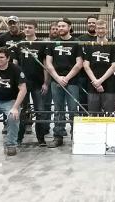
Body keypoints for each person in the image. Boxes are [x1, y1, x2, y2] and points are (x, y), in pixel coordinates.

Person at [45, 18, 83, 148]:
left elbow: (79, 64)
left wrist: (66, 78)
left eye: (63, 26)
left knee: (73, 109)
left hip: (72, 81)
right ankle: (58, 136)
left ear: (69, 27)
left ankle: (76, 136)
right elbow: (48, 64)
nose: (60, 28)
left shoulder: (76, 43)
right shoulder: (52, 43)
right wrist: (57, 78)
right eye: (59, 26)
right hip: (56, 81)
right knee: (58, 108)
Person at [16, 20, 50, 147]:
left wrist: (46, 83)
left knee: (40, 111)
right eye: (25, 27)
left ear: (35, 29)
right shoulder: (20, 44)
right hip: (22, 84)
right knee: (22, 111)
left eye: (30, 27)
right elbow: (14, 64)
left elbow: (45, 65)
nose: (27, 29)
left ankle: (41, 138)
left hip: (38, 83)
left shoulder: (41, 44)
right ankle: (19, 137)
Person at [83, 19, 115, 113]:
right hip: (93, 84)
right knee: (93, 114)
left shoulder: (113, 45)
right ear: (95, 30)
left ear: (107, 30)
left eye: (103, 28)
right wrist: (95, 81)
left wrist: (100, 81)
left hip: (109, 85)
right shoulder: (89, 45)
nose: (100, 30)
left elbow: (114, 66)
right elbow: (86, 66)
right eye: (98, 28)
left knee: (109, 114)